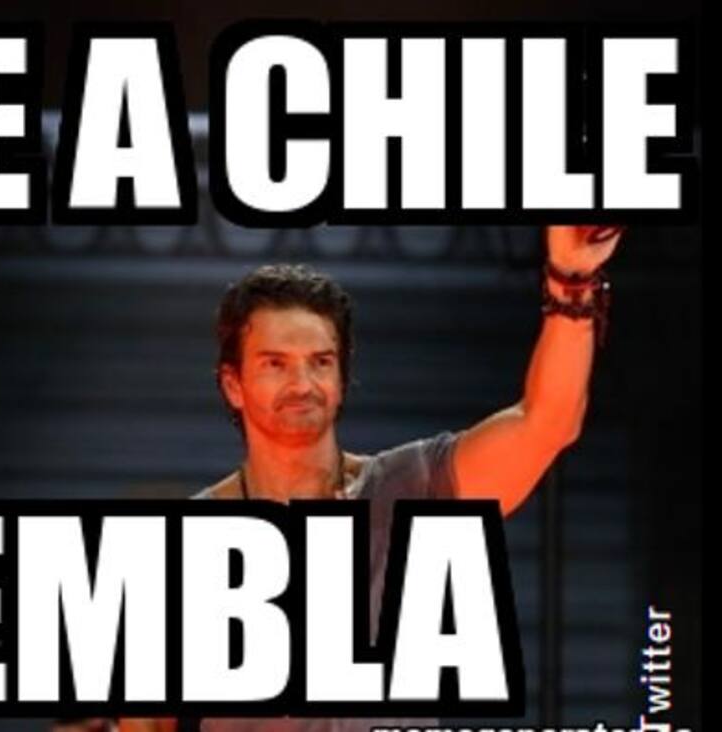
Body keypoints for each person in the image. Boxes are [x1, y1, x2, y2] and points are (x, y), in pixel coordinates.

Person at [118, 225, 622, 732]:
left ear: (341, 380)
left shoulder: (411, 488)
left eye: (321, 362)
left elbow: (547, 423)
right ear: (234, 385)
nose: (302, 384)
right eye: (275, 364)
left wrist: (571, 282)